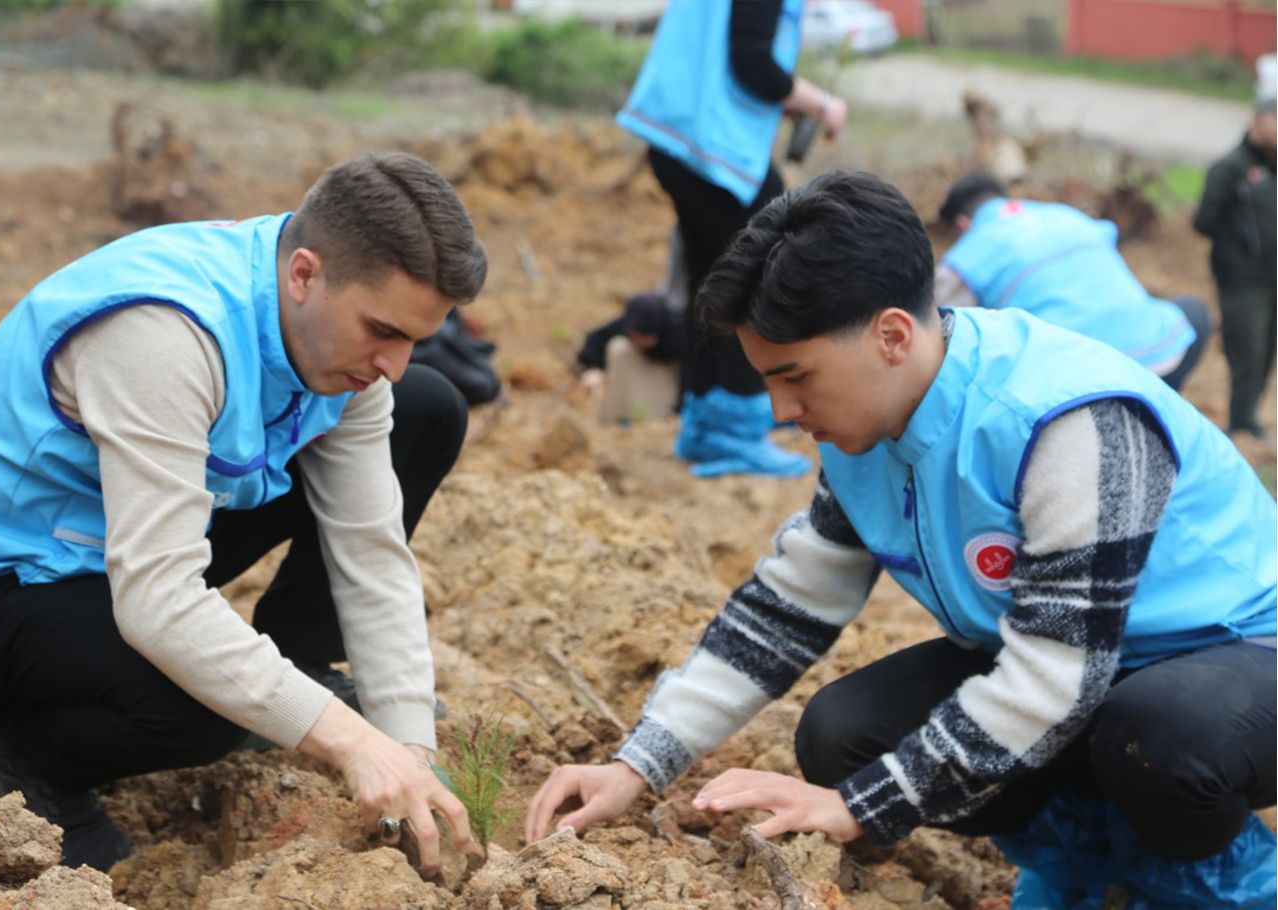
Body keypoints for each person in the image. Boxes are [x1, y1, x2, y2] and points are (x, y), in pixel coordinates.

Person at [526, 170, 1277, 908]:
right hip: (1090, 680)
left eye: (796, 377)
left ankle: (1220, 883)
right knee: (842, 733)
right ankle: (1085, 862)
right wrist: (639, 764)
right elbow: (783, 611)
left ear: (891, 335)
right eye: (769, 381)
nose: (783, 409)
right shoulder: (864, 433)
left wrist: (858, 809)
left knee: (1160, 739)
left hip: (1234, 658)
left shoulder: (1063, 421)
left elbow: (1056, 671)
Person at [0, 152, 487, 876]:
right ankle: (32, 755)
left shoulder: (336, 340)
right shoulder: (163, 334)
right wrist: (347, 739)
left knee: (426, 408)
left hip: (134, 525)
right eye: (383, 330)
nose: (393, 363)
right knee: (213, 700)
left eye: (413, 337)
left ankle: (297, 667)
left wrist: (408, 753)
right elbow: (158, 605)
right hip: (0, 585)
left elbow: (369, 550)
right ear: (304, 274)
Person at [616, 0, 848, 477]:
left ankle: (705, 419)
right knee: (755, 285)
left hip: (681, 141)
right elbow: (753, 63)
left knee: (712, 282)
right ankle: (735, 427)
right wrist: (820, 103)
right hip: (716, 154)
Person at [936, 172, 1211, 392]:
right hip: (1159, 358)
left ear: (963, 224)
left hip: (1077, 382)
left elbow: (938, 331)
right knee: (1191, 310)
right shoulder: (1066, 215)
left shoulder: (970, 252)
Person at [1193, 94, 1277, 440]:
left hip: (1272, 276)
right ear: (1259, 120)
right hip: (1241, 280)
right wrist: (1237, 246)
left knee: (1267, 350)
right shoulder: (1229, 168)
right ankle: (1240, 423)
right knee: (1247, 349)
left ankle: (1250, 416)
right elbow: (1204, 221)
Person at [576, 290, 684, 425]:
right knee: (618, 347)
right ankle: (619, 416)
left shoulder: (679, 329)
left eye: (647, 338)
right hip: (636, 381)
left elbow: (695, 371)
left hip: (669, 380)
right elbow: (595, 339)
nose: (641, 342)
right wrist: (593, 368)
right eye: (636, 337)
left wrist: (679, 407)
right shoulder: (630, 323)